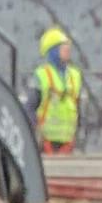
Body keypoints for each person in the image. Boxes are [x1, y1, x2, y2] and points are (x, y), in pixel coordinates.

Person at [34, 21, 86, 155]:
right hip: (46, 143)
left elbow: (79, 108)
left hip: (68, 143)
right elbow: (30, 107)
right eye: (63, 47)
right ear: (53, 51)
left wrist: (80, 134)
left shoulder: (75, 75)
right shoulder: (42, 75)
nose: (67, 50)